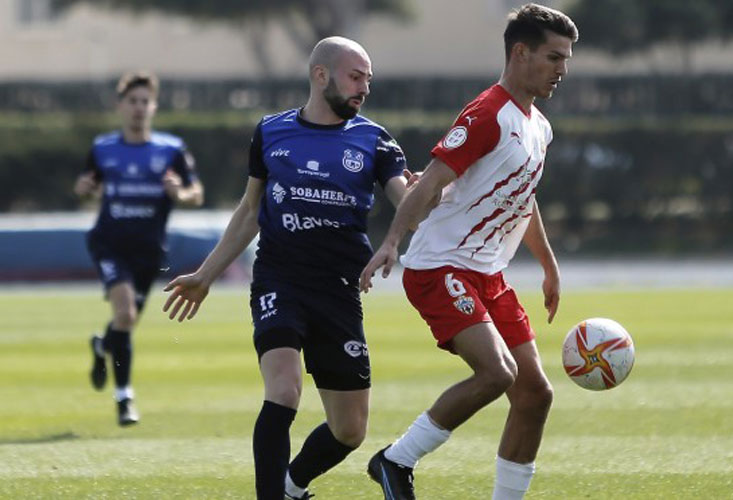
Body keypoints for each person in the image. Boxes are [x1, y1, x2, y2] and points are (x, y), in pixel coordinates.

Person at [162, 37, 410, 500]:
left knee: (350, 430)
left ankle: (292, 486)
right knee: (284, 388)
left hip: (339, 290)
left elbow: (405, 196)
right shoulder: (271, 132)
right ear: (322, 75)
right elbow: (250, 211)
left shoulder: (375, 140)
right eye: (355, 77)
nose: (364, 88)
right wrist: (205, 275)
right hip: (279, 280)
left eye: (368, 80)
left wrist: (437, 194)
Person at [359, 4, 578, 499]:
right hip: (440, 266)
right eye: (553, 57)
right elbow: (431, 181)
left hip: (488, 275)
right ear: (520, 53)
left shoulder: (538, 126)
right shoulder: (487, 113)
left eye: (565, 59)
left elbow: (522, 196)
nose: (562, 69)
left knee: (535, 393)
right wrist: (392, 242)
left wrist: (548, 263)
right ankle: (395, 460)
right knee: (497, 373)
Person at [74, 71, 204, 426]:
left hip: (148, 251)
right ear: (121, 106)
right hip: (109, 244)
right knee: (127, 316)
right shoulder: (103, 148)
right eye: (133, 101)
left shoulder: (170, 150)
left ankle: (102, 346)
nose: (139, 108)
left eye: (145, 101)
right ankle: (124, 399)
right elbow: (86, 186)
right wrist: (84, 188)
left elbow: (196, 193)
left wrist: (181, 193)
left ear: (154, 106)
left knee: (123, 322)